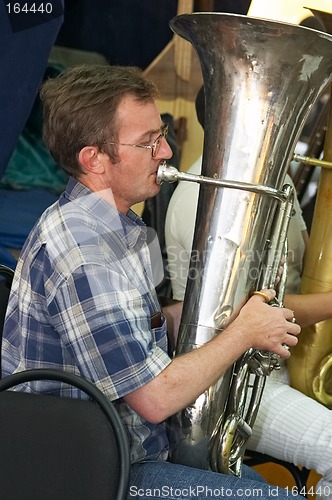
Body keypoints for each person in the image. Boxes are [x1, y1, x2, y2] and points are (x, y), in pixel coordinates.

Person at [1, 65, 301, 500]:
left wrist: (230, 308)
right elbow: (155, 398)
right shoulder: (84, 254)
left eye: (161, 136)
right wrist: (243, 333)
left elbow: (148, 325)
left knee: (259, 485)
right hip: (90, 472)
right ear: (94, 159)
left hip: (131, 449)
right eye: (148, 142)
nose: (166, 152)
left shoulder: (119, 226)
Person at [165, 85, 332, 499]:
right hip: (234, 383)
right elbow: (242, 311)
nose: (299, 125)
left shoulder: (275, 183)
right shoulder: (204, 196)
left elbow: (301, 268)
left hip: (281, 361)